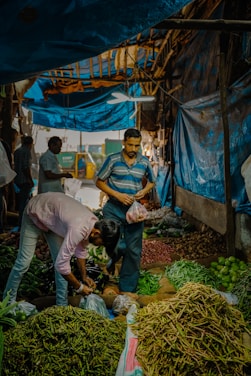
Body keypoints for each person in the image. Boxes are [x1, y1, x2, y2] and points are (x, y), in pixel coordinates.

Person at [3, 192, 120, 306]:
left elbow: (81, 250)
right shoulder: (78, 228)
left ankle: (61, 305)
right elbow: (61, 264)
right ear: (97, 233)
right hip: (35, 212)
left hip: (52, 219)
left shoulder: (93, 224)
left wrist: (84, 277)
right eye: (102, 243)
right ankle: (8, 302)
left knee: (63, 266)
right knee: (23, 263)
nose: (100, 246)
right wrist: (79, 288)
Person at [96, 128, 156, 293]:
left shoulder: (144, 162)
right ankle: (111, 262)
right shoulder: (113, 160)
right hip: (113, 209)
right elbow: (100, 182)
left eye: (137, 146)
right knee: (116, 243)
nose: (133, 149)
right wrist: (118, 195)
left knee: (133, 250)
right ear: (124, 143)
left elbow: (152, 181)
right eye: (130, 145)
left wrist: (144, 191)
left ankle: (127, 289)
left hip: (134, 212)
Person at [14, 135, 34, 229]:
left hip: (17, 180)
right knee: (24, 203)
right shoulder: (27, 152)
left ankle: (20, 222)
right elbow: (26, 167)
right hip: (24, 181)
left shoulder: (17, 151)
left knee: (21, 202)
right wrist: (30, 180)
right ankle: (21, 224)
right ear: (30, 144)